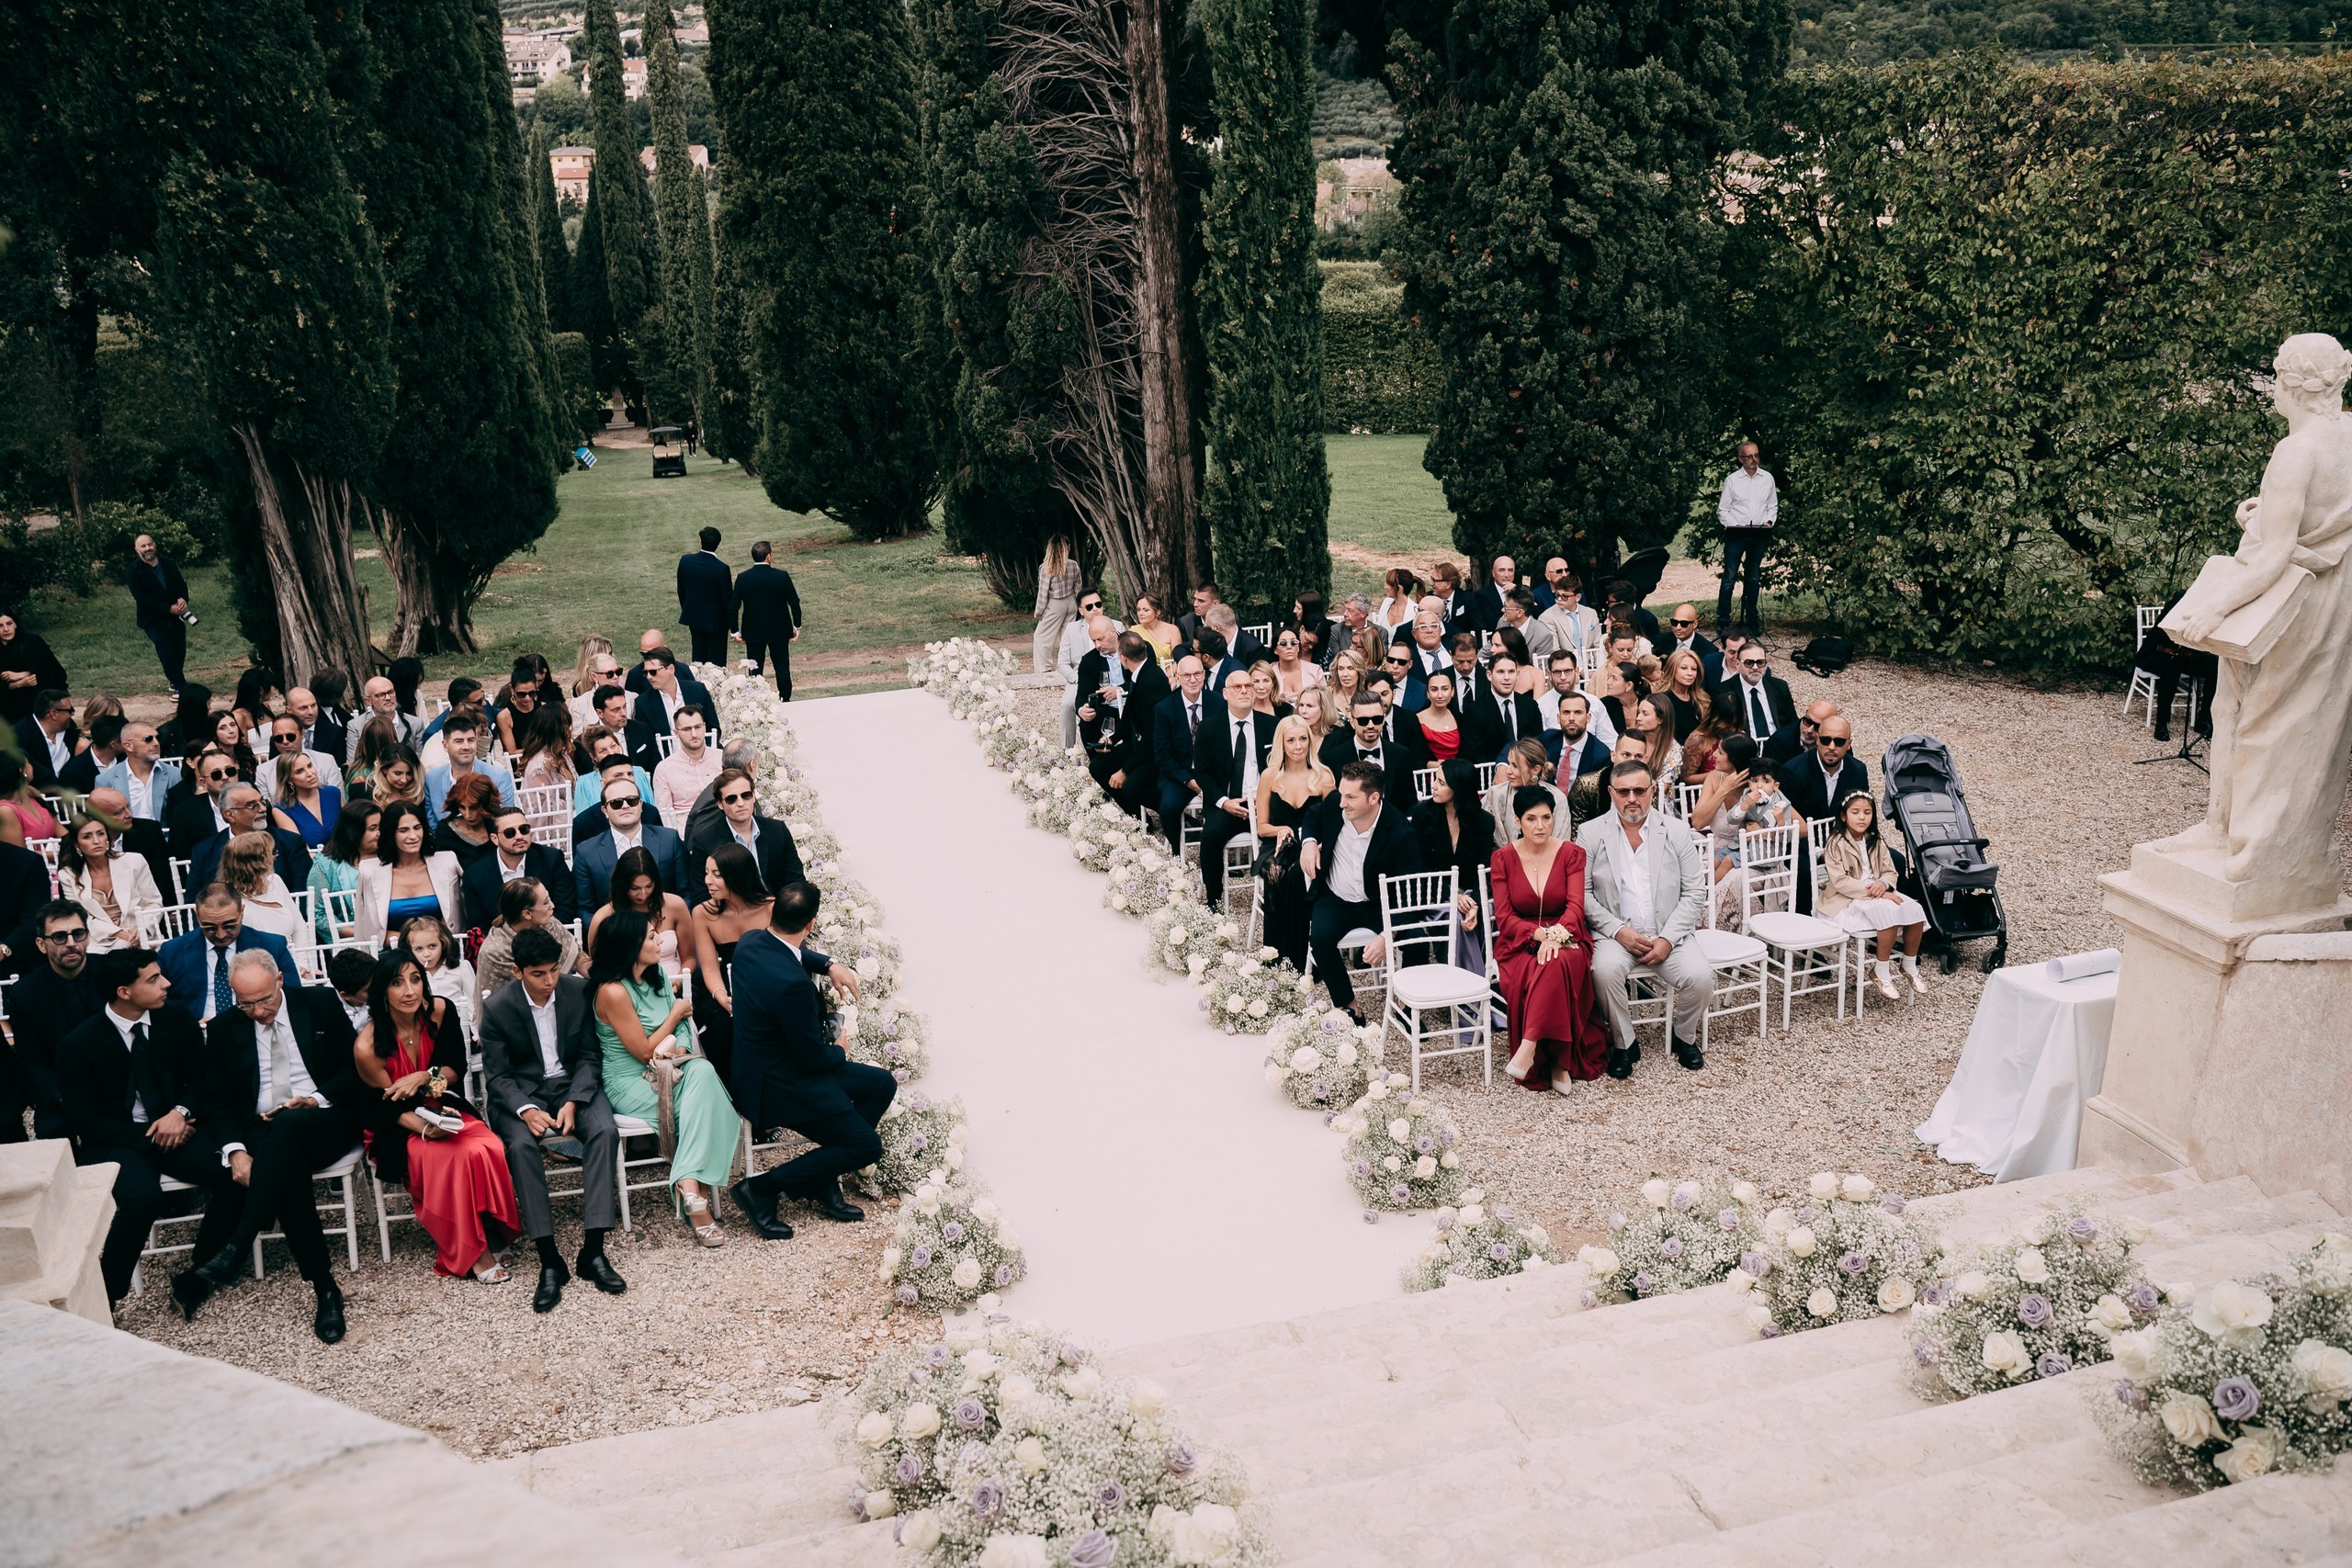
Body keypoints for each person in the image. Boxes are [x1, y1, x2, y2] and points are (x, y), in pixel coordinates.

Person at [179, 952, 363, 1342]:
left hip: (325, 1119)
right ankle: (325, 1288)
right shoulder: (226, 1027)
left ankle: (238, 1242)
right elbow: (219, 1100)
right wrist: (236, 1151)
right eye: (246, 1003)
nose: (258, 1011)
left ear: (280, 979)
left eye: (265, 1000)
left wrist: (314, 1098)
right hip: (265, 1132)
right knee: (287, 1165)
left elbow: (354, 1069)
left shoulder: (319, 1002)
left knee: (290, 1127)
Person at [57, 946, 237, 1310]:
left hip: (178, 1127)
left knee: (234, 1172)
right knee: (142, 1199)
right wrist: (154, 1133)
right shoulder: (78, 1045)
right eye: (153, 979)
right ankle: (103, 1300)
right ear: (125, 992)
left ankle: (200, 1270)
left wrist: (180, 1112)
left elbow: (205, 1078)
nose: (166, 984)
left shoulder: (175, 1017)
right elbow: (86, 1122)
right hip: (119, 1139)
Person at [476, 924, 630, 1311]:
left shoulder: (578, 991)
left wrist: (575, 1100)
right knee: (520, 1146)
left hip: (571, 1086)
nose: (548, 981)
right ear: (517, 972)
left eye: (553, 971)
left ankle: (592, 1252)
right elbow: (497, 1077)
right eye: (538, 974)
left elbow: (591, 1057)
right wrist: (527, 1111)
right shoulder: (496, 1007)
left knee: (605, 1132)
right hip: (521, 1095)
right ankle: (549, 1259)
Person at [727, 880, 888, 1237]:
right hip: (778, 1085)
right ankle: (761, 1188)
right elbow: (812, 1058)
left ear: (773, 913)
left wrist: (830, 963)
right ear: (811, 924)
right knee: (865, 1145)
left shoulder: (750, 942)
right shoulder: (792, 986)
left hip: (765, 1065)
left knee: (881, 1084)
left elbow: (793, 952)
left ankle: (820, 1176)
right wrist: (840, 1049)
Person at [352, 947, 520, 1281]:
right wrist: (426, 1129)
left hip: (441, 1104)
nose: (410, 991)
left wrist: (425, 1076)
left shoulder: (440, 1011)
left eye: (416, 979)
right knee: (453, 1158)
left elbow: (455, 1068)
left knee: (488, 1146)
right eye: (398, 983)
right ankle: (474, 1252)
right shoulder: (367, 1047)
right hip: (395, 1125)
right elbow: (381, 1107)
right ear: (383, 991)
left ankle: (492, 1228)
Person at [590, 910, 736, 1246]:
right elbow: (642, 1051)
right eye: (651, 936)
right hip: (630, 1079)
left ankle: (687, 1184)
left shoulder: (656, 974)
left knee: (702, 1070)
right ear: (629, 945)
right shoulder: (612, 991)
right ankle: (695, 1203)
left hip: (674, 1067)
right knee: (705, 1095)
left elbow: (684, 1030)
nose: (660, 941)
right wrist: (675, 1013)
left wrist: (678, 1048)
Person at [1579, 760, 1714, 1077]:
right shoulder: (1590, 833)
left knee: (1701, 978)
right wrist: (1618, 931)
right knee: (1603, 971)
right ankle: (1625, 1044)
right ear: (1611, 792)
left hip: (1669, 932)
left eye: (1639, 790)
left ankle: (1683, 1036)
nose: (1632, 799)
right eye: (1624, 791)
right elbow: (1582, 895)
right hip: (1616, 934)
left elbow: (1695, 892)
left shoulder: (1678, 831)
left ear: (1653, 791)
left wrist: (1667, 939)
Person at [1492, 785, 1609, 1093]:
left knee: (1556, 960)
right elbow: (1504, 918)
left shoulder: (1571, 853)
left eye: (1546, 817)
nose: (1540, 825)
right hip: (1519, 940)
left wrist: (1557, 936)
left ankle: (1530, 1046)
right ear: (1518, 822)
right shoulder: (1502, 859)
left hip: (1568, 935)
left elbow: (1575, 906)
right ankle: (1560, 1061)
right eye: (1531, 819)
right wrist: (1540, 935)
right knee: (1544, 964)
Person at [1297, 762, 1422, 1022]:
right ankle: (1350, 1007)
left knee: (1418, 939)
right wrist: (1308, 843)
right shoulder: (1336, 805)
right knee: (1319, 940)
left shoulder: (1401, 831)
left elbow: (1409, 891)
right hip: (1336, 898)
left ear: (1374, 797)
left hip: (1379, 904)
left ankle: (1404, 1006)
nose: (1342, 803)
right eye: (1342, 794)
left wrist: (1388, 935)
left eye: (1351, 797)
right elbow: (1312, 815)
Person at [3, 901, 102, 1139]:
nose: (71, 944)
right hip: (62, 1089)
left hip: (119, 1083)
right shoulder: (24, 994)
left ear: (87, 937)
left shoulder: (112, 972)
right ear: (41, 944)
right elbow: (31, 1060)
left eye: (78, 934)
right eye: (59, 937)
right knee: (52, 1132)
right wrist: (61, 1096)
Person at [1820, 792, 1930, 1000]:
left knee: (1915, 909)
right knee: (1887, 913)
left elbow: (1890, 871)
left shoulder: (1876, 840)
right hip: (1848, 897)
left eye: (1867, 812)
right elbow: (1841, 882)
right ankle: (1880, 970)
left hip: (1880, 892)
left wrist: (1883, 884)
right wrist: (1875, 892)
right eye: (1855, 812)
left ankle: (1908, 965)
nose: (1862, 817)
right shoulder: (1836, 843)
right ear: (1843, 816)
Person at [1252, 716, 1334, 970]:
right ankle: (1275, 954)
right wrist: (1282, 829)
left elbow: (1333, 822)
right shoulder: (1270, 776)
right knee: (1276, 872)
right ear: (1282, 744)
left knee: (1299, 874)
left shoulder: (1323, 776)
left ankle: (1300, 960)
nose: (1298, 746)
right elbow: (1262, 826)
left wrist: (1318, 843)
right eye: (1291, 740)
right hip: (1277, 846)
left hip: (1313, 846)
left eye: (1303, 739)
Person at [1194, 670, 1279, 911]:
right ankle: (1214, 899)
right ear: (1225, 693)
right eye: (1237, 687)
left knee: (1287, 836)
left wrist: (1265, 798)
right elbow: (1202, 772)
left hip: (1264, 804)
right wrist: (1223, 802)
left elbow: (1279, 768)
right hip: (1227, 803)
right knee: (1210, 837)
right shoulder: (1210, 728)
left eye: (1248, 686)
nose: (1244, 691)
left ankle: (1277, 894)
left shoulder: (1271, 725)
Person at [689, 842, 769, 1089]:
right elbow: (710, 967)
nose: (708, 881)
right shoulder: (703, 914)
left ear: (737, 875)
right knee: (724, 1027)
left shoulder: (771, 907)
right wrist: (722, 996)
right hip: (725, 987)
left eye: (717, 875)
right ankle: (734, 1099)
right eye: (706, 873)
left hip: (768, 986)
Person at [1412, 758, 1493, 972]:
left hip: (1472, 894)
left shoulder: (1484, 821)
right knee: (1454, 917)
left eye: (1441, 783)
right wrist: (1451, 894)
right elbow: (1419, 867)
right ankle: (1467, 985)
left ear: (1459, 788)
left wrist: (1474, 902)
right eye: (1435, 780)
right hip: (1433, 894)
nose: (1433, 786)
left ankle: (1471, 984)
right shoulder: (1423, 814)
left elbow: (1484, 869)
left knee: (1481, 913)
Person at [577, 772, 690, 913]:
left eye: (632, 800)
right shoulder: (587, 853)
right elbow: (585, 910)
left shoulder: (670, 840)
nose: (625, 806)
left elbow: (687, 893)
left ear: (641, 805)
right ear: (605, 810)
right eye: (616, 803)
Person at [356, 800, 462, 949]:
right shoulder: (369, 871)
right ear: (391, 833)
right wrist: (416, 942)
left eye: (417, 828)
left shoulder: (447, 862)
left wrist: (430, 944)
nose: (413, 836)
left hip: (442, 950)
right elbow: (367, 929)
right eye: (403, 830)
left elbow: (456, 919)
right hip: (393, 956)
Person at [1086, 631, 1170, 813]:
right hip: (1140, 744)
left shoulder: (1151, 681)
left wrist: (1125, 770)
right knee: (1099, 766)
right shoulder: (1140, 673)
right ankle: (1134, 816)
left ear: (1124, 659)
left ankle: (1177, 817)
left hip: (1158, 751)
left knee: (1132, 785)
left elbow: (1151, 735)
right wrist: (1112, 739)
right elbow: (1130, 714)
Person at [460, 805, 576, 933]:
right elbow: (479, 927)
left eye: (524, 829)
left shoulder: (551, 859)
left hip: (550, 940)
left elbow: (566, 910)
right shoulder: (475, 875)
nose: (519, 836)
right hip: (502, 948)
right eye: (510, 833)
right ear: (494, 839)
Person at [476, 876, 582, 997]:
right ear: (527, 914)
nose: (552, 905)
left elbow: (576, 956)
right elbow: (530, 991)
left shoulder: (549, 923)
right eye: (546, 902)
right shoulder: (495, 952)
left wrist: (599, 974)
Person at [1716, 441, 1778, 639]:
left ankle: (1752, 621)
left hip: (1759, 534)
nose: (1754, 460)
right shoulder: (1733, 480)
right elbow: (1722, 510)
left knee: (1753, 578)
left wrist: (1769, 522)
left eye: (1756, 455)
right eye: (1749, 456)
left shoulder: (1767, 478)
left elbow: (1772, 506)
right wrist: (1733, 525)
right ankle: (1723, 622)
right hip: (1736, 534)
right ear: (1741, 459)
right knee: (1729, 578)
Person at [1149, 655, 1208, 854]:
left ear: (1204, 675)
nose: (1192, 680)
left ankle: (1217, 853)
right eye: (1187, 675)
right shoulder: (1164, 708)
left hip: (1211, 773)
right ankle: (1177, 850)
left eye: (1197, 674)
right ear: (1178, 677)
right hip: (1178, 774)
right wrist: (1188, 781)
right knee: (1168, 808)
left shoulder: (1218, 702)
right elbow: (1162, 756)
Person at [732, 539, 804, 699]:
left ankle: (756, 700)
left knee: (755, 668)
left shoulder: (743, 578)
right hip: (779, 630)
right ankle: (785, 699)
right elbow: (794, 602)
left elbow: (733, 606)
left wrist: (735, 631)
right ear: (769, 557)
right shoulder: (781, 576)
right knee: (782, 666)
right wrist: (797, 626)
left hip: (753, 631)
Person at [422, 712, 516, 829]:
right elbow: (432, 823)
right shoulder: (432, 778)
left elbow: (503, 821)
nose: (466, 747)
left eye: (471, 740)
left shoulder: (499, 777)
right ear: (445, 746)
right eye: (459, 741)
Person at [632, 646, 720, 768]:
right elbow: (649, 745)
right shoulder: (643, 703)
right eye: (645, 672)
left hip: (705, 758)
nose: (649, 677)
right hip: (668, 764)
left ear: (671, 669)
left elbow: (713, 728)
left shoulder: (698, 690)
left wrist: (704, 755)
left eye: (653, 672)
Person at [1055, 589, 1122, 746]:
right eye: (1090, 607)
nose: (1095, 609)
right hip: (1078, 678)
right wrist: (1079, 680)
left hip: (1111, 678)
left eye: (1098, 604)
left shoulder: (1116, 625)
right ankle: (1068, 748)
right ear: (1081, 611)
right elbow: (1062, 664)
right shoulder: (1072, 630)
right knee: (1067, 704)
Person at [127, 534, 192, 693]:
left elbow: (181, 584)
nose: (147, 548)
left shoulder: (168, 563)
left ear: (155, 545)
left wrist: (183, 599)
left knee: (179, 648)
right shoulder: (133, 570)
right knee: (166, 650)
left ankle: (174, 679)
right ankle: (180, 686)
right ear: (137, 549)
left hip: (175, 616)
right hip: (153, 619)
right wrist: (168, 609)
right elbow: (141, 598)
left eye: (150, 544)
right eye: (143, 546)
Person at [1781, 713, 1870, 828]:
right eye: (1825, 740)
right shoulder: (1793, 771)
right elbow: (1789, 823)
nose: (1831, 747)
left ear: (1849, 744)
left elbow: (1863, 813)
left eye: (1839, 742)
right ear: (1817, 740)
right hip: (1805, 842)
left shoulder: (1858, 770)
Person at [220, 830, 302, 953]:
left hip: (297, 961)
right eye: (271, 853)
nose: (275, 857)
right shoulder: (234, 905)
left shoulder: (276, 881)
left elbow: (300, 927)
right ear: (257, 864)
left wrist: (303, 964)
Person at [308, 802, 377, 946]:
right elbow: (319, 915)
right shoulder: (325, 864)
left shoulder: (391, 857)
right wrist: (359, 933)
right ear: (353, 831)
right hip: (350, 943)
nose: (379, 833)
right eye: (372, 828)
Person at [1484, 739, 1567, 847]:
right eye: (1509, 764)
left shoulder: (1558, 798)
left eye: (1515, 766)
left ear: (1535, 770)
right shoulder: (1495, 794)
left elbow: (1561, 843)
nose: (1508, 771)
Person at [1464, 653, 1544, 762]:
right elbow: (1474, 754)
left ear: (1517, 674)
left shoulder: (1530, 706)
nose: (1507, 677)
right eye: (1500, 672)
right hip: (1493, 774)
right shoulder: (1475, 710)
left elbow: (1537, 744)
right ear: (1489, 675)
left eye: (1511, 672)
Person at [1715, 640, 1795, 745]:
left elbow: (1792, 723)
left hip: (1778, 748)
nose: (1755, 667)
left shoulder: (1780, 687)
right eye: (1749, 663)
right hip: (1744, 751)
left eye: (1760, 662)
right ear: (1738, 664)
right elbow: (1719, 730)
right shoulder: (1724, 690)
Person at [677, 525, 735, 667]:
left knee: (698, 659)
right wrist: (733, 628)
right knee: (717, 663)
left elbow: (681, 591)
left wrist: (688, 609)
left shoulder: (686, 561)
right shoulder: (721, 569)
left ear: (700, 542)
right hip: (717, 623)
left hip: (694, 619)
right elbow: (728, 600)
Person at [653, 706, 722, 822]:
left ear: (704, 727)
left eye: (698, 727)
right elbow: (665, 815)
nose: (694, 734)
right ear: (676, 733)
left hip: (723, 824)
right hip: (687, 832)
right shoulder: (664, 768)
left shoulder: (722, 758)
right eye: (686, 729)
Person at [0, 613, 70, 727]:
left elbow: (56, 671)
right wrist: (18, 684)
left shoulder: (32, 641)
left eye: (9, 623)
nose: (6, 629)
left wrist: (24, 674)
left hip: (41, 700)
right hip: (10, 707)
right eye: (0, 626)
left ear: (15, 624)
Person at [267, 748, 343, 851]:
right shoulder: (282, 809)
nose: (310, 773)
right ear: (289, 780)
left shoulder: (333, 793)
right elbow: (300, 851)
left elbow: (350, 832)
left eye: (310, 766)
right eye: (299, 772)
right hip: (312, 864)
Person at [1031, 536, 1084, 674]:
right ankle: (1070, 668)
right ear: (1068, 548)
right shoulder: (1073, 564)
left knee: (1042, 637)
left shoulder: (1046, 568)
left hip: (1055, 604)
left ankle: (1044, 669)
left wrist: (1039, 612)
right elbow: (1078, 587)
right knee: (1068, 637)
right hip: (1072, 603)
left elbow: (1043, 593)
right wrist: (1079, 606)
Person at [345, 675, 423, 766]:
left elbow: (421, 759)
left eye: (391, 692)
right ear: (368, 701)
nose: (388, 698)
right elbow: (353, 763)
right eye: (381, 695)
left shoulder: (415, 723)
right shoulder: (356, 726)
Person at [432, 772, 500, 873]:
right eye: (462, 807)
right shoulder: (446, 833)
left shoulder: (497, 825)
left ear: (486, 805)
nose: (467, 815)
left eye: (473, 808)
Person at [492, 660, 550, 760]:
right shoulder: (505, 716)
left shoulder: (544, 708)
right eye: (521, 694)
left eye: (531, 693)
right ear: (512, 689)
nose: (527, 698)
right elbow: (512, 753)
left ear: (536, 686)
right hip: (521, 764)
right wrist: (543, 750)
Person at [1407, 668, 1465, 766]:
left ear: (1452, 691)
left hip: (1457, 775)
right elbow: (1415, 756)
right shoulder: (1415, 720)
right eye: (1434, 690)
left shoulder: (1460, 718)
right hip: (1428, 777)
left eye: (1445, 689)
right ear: (1427, 693)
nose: (1440, 695)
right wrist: (1432, 765)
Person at [0, 753, 61, 846]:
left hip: (58, 856)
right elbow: (19, 853)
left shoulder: (32, 793)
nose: (31, 766)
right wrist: (59, 854)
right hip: (34, 859)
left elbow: (60, 830)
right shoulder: (5, 811)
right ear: (21, 771)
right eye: (28, 763)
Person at [1627, 694, 1683, 791]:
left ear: (1661, 719)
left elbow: (1660, 788)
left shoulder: (1674, 751)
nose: (1638, 718)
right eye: (1639, 712)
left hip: (1658, 802)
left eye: (1645, 713)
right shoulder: (1631, 739)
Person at [1764, 696, 1836, 767]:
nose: (1809, 730)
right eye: (1808, 721)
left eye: (1818, 727)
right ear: (1806, 713)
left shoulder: (1838, 740)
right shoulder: (1779, 743)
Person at [1270, 626, 1323, 705]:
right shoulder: (1269, 672)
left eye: (1294, 642)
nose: (1289, 647)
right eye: (1283, 643)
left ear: (1298, 648)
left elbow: (1326, 698)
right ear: (1275, 650)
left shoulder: (1315, 670)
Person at [371, 744, 429, 812]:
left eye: (409, 773)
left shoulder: (419, 796)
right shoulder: (368, 793)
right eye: (398, 773)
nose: (404, 780)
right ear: (384, 770)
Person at [1129, 591, 1181, 665]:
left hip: (1171, 674)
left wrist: (1167, 676)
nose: (1140, 613)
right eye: (1138, 610)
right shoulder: (1133, 632)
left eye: (1145, 610)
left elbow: (1178, 660)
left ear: (1158, 612)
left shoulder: (1172, 630)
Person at [1374, 567, 1422, 637]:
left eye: (1388, 584)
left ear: (1399, 589)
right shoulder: (1386, 603)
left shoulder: (1415, 612)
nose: (1385, 587)